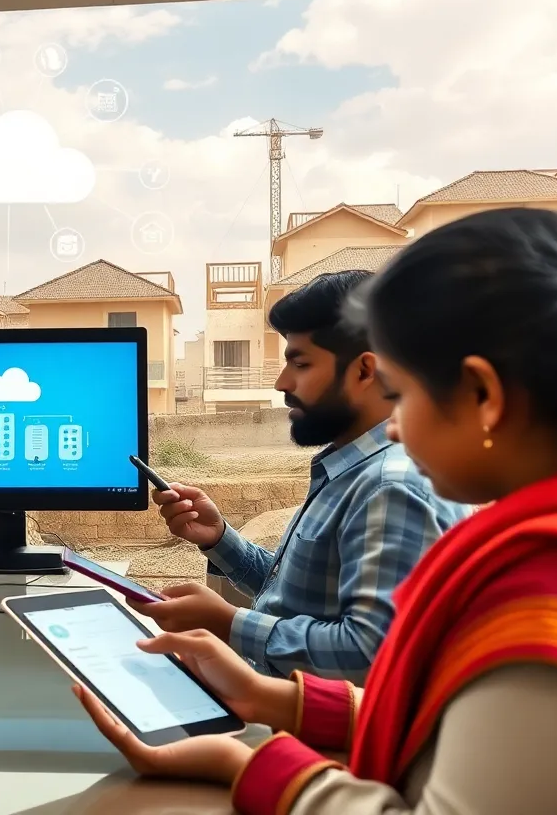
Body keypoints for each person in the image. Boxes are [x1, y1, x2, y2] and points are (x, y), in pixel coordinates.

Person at [73, 207, 557, 813]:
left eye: (402, 394)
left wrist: (245, 764)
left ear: (483, 395)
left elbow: (375, 658)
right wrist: (268, 698)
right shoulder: (521, 551)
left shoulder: (548, 601)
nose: (394, 429)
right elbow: (428, 706)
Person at [133, 272, 471, 684]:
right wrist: (219, 538)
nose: (282, 382)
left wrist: (228, 622)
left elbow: (371, 655)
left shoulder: (392, 486)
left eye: (301, 363)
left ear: (365, 370)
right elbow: (299, 598)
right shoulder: (352, 470)